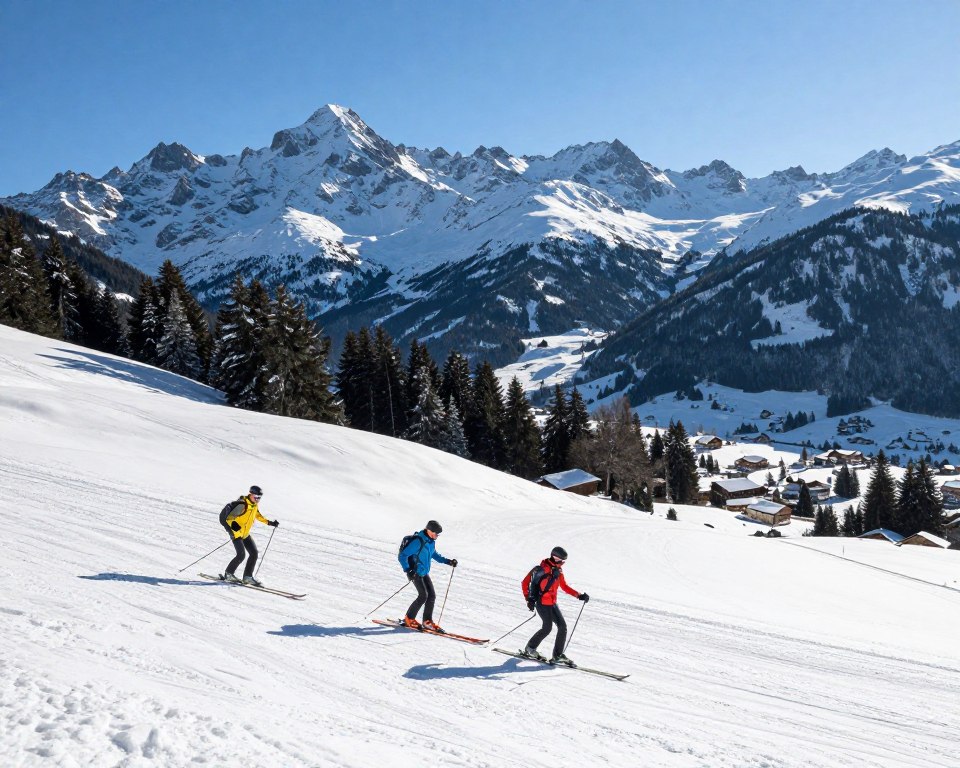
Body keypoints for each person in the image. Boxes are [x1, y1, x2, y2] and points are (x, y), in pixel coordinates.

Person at [520, 546, 589, 666]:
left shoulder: (558, 571)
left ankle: (557, 655)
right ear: (555, 558)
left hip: (552, 603)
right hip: (542, 603)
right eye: (562, 561)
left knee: (562, 626)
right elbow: (525, 582)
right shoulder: (541, 569)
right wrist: (528, 599)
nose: (563, 563)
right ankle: (530, 649)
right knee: (547, 628)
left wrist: (579, 595)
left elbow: (564, 587)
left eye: (564, 561)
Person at [397, 520, 457, 632]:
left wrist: (448, 561)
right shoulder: (418, 541)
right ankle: (409, 619)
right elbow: (402, 555)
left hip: (423, 572)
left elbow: (434, 554)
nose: (437, 536)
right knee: (423, 595)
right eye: (435, 533)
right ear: (429, 530)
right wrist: (408, 569)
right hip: (414, 572)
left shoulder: (430, 541)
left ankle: (427, 621)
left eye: (438, 534)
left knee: (432, 596)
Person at [220, 485, 279, 586]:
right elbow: (230, 518)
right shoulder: (243, 504)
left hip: (245, 534)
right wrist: (234, 526)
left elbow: (258, 516)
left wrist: (270, 523)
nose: (257, 500)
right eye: (256, 497)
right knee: (241, 555)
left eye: (259, 498)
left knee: (254, 553)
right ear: (251, 494)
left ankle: (247, 577)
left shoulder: (254, 505)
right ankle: (229, 574)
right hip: (236, 533)